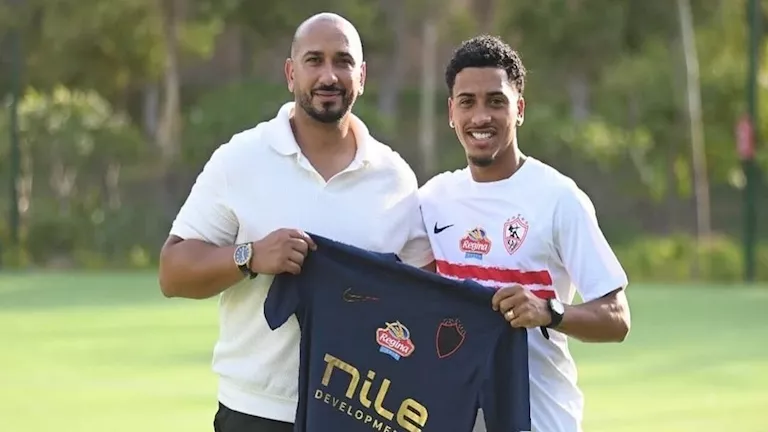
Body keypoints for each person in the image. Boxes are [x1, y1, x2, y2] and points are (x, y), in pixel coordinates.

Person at [157, 12, 434, 432]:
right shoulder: (240, 159)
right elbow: (172, 272)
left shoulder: (395, 178)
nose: (329, 75)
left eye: (343, 61)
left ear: (361, 76)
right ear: (291, 73)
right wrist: (250, 256)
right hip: (256, 412)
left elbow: (424, 296)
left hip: (359, 413)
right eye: (314, 60)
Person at [418, 35, 632, 432]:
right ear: (451, 112)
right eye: (467, 102)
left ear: (519, 109)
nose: (480, 116)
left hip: (542, 420)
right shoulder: (432, 200)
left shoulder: (558, 198)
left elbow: (617, 318)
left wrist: (549, 311)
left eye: (495, 101)